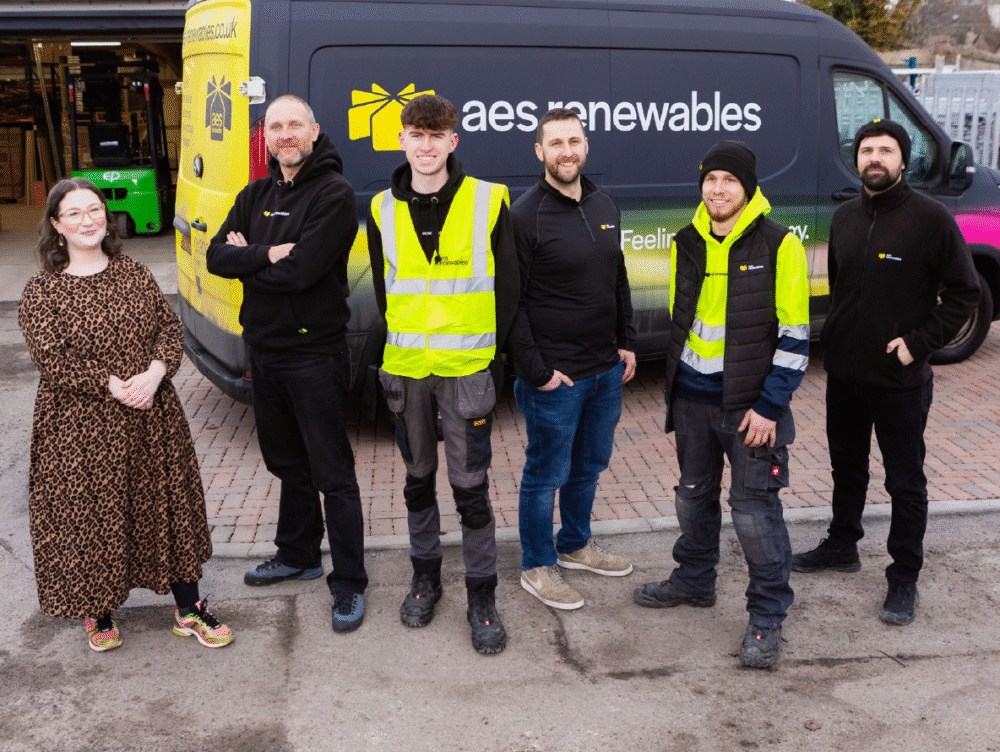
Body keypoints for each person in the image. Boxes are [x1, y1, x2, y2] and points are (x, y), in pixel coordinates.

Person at [18, 178, 234, 653]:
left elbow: (168, 329)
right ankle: (98, 611)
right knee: (91, 515)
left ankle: (189, 608)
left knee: (168, 508)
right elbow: (52, 359)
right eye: (73, 213)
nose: (87, 220)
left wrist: (155, 374)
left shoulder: (134, 273)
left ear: (106, 216)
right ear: (57, 226)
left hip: (150, 416)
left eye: (94, 209)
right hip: (79, 429)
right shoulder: (43, 291)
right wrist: (114, 385)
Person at [792, 119, 981, 626]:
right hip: (845, 375)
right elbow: (840, 285)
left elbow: (966, 293)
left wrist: (917, 344)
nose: (874, 158)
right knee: (847, 468)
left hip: (900, 381)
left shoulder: (931, 218)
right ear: (857, 160)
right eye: (866, 150)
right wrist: (834, 339)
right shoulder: (845, 217)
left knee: (905, 481)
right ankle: (842, 545)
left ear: (903, 160)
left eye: (885, 150)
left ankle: (904, 576)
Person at [633, 141, 810, 669]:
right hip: (692, 399)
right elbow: (681, 319)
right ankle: (694, 580)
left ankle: (767, 615)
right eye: (710, 179)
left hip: (751, 408)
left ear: (748, 188)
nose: (718, 189)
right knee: (692, 498)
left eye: (729, 180)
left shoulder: (780, 244)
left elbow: (795, 336)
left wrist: (770, 406)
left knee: (754, 515)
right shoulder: (685, 241)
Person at [206, 94, 368, 633]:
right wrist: (266, 254)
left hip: (313, 354)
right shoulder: (254, 194)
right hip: (264, 351)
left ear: (314, 131)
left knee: (332, 472)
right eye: (275, 127)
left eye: (294, 124)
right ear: (267, 137)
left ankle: (349, 582)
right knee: (285, 462)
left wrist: (250, 258)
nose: (284, 135)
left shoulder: (334, 194)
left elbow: (302, 272)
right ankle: (298, 553)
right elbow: (216, 256)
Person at [368, 94, 517, 654]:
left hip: (467, 373)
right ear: (402, 140)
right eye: (416, 135)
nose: (426, 146)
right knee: (416, 483)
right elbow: (384, 292)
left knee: (471, 490)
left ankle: (482, 595)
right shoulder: (380, 208)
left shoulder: (489, 200)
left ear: (453, 141)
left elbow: (509, 291)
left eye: (436, 136)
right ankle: (425, 578)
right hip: (407, 370)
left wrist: (491, 361)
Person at [512, 107, 637, 612]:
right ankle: (537, 565)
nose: (567, 151)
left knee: (588, 466)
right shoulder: (525, 215)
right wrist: (536, 372)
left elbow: (617, 276)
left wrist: (626, 341)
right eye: (556, 143)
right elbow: (512, 303)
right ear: (539, 152)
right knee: (546, 474)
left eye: (574, 141)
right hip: (557, 379)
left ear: (586, 146)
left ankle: (575, 545)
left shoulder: (605, 202)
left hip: (604, 370)